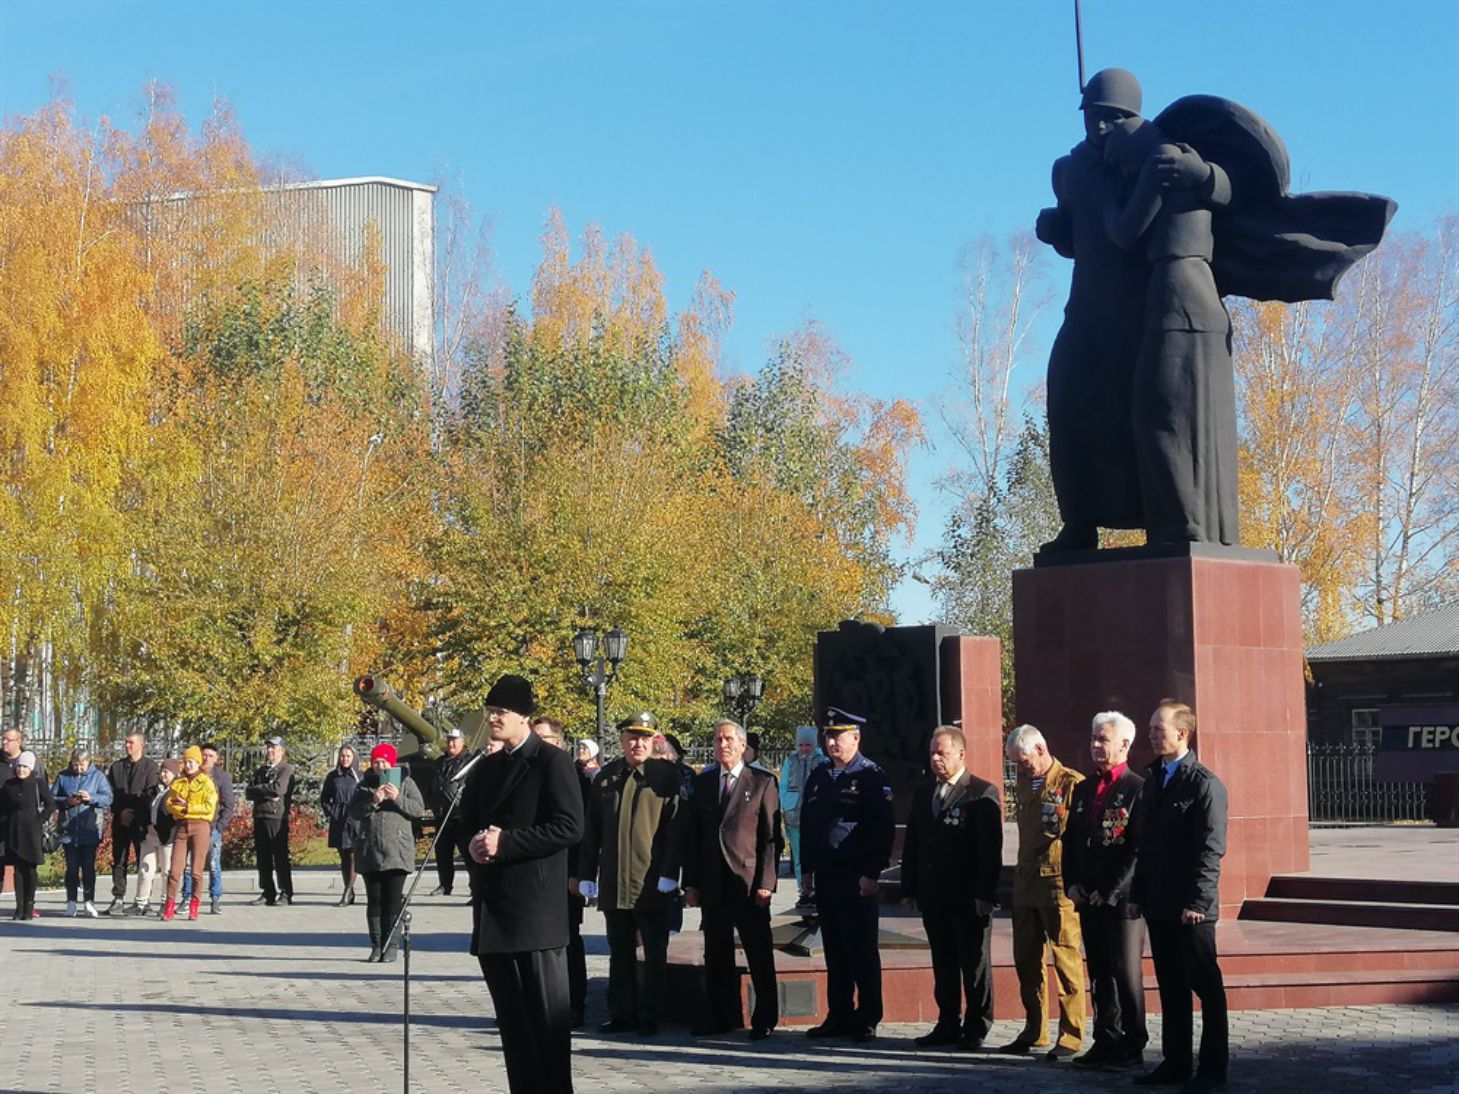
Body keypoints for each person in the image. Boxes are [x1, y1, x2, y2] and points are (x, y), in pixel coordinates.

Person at [1034, 67, 1151, 551]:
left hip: (1139, 310)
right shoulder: (1069, 169)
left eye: (1113, 118)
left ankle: (1157, 520)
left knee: (1137, 414)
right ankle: (1078, 523)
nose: (1101, 128)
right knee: (1065, 407)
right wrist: (1055, 228)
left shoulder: (1144, 164)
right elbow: (1075, 240)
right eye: (1094, 117)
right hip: (1085, 308)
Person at [462, 677, 583, 1094]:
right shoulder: (487, 767)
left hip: (536, 917)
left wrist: (506, 842)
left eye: (501, 712)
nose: (492, 718)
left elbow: (570, 826)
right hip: (495, 915)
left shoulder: (551, 761)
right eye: (489, 711)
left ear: (523, 717)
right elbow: (465, 825)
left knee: (546, 1031)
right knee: (515, 1033)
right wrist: (474, 848)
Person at [1130, 700, 1229, 1093]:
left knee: (1206, 987)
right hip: (1160, 902)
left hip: (1192, 908)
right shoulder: (1156, 778)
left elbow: (1210, 849)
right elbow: (1145, 844)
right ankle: (1175, 1063)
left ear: (1182, 734)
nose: (1152, 735)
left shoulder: (1204, 783)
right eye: (1152, 728)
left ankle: (1212, 1069)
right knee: (1171, 987)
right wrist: (1138, 894)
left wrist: (1199, 904)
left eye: (1159, 729)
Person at [578, 710, 685, 1037]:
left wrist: (670, 873)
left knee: (654, 952)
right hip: (614, 880)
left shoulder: (666, 777)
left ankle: (650, 1015)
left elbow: (677, 829)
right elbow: (591, 829)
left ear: (654, 740)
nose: (637, 743)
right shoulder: (607, 777)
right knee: (619, 951)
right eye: (632, 737)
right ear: (622, 739)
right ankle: (622, 1013)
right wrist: (586, 873)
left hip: (651, 882)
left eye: (644, 737)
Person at [900, 726, 1002, 1050]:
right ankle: (947, 1023)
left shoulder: (981, 793)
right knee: (943, 964)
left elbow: (990, 851)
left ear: (961, 753)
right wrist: (909, 888)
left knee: (973, 965)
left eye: (942, 752)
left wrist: (986, 894)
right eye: (932, 752)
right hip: (933, 895)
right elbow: (913, 844)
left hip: (968, 898)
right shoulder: (923, 793)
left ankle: (976, 1026)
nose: (935, 758)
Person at [799, 708, 894, 1043]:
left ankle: (867, 1016)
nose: (831, 741)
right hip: (826, 876)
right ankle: (838, 1014)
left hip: (856, 878)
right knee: (835, 950)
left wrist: (871, 873)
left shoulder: (871, 776)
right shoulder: (820, 776)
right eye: (828, 735)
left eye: (838, 735)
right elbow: (810, 826)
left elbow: (880, 831)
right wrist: (806, 869)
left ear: (856, 738)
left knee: (861, 950)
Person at [683, 719, 781, 1041]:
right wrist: (692, 883)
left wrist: (767, 882)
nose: (722, 745)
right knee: (717, 952)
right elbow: (694, 836)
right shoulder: (705, 782)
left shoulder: (762, 782)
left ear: (742, 745)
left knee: (758, 952)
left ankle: (764, 1017)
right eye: (717, 740)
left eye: (728, 740)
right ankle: (720, 1016)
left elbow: (770, 838)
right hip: (713, 884)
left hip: (748, 883)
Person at [1064, 711, 1147, 1071]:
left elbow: (1135, 850)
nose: (1096, 746)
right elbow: (1071, 843)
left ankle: (1133, 1042)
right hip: (1089, 899)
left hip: (1122, 902)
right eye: (1094, 738)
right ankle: (1106, 1038)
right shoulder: (1083, 788)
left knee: (1125, 974)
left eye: (1104, 740)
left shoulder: (1137, 788)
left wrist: (1108, 890)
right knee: (1099, 972)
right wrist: (1073, 884)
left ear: (1125, 744)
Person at [1000, 724, 1087, 1060]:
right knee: (1026, 960)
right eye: (1015, 764)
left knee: (1065, 960)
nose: (1020, 769)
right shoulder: (1025, 781)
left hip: (1057, 885)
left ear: (1040, 748)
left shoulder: (1070, 783)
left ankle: (1071, 1034)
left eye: (1023, 761)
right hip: (1025, 883)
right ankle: (1035, 1029)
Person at [532, 715, 591, 1026]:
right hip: (530, 877)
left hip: (564, 874)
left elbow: (582, 832)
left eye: (544, 739)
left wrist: (579, 875)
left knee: (566, 941)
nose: (537, 745)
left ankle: (571, 1004)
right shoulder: (523, 774)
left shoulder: (574, 776)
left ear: (559, 744)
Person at [351, 742, 424, 962]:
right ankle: (376, 945)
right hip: (370, 850)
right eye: (376, 762)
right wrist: (373, 801)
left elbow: (418, 809)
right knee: (374, 899)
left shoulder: (406, 782)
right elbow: (353, 812)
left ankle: (391, 945)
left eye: (383, 762)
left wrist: (397, 798)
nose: (379, 766)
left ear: (391, 763)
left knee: (392, 899)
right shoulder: (364, 786)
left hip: (397, 851)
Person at [51, 747, 114, 918]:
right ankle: (71, 901)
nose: (78, 768)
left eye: (82, 765)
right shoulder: (64, 776)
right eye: (75, 764)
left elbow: (108, 798)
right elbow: (52, 798)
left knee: (88, 868)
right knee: (71, 868)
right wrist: (67, 801)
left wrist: (91, 798)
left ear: (89, 762)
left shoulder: (98, 777)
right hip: (68, 829)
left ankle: (89, 901)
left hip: (90, 829)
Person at [104, 732, 160, 915]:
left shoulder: (150, 767)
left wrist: (134, 812)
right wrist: (121, 812)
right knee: (119, 859)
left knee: (144, 862)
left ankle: (144, 899)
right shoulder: (117, 767)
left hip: (141, 821)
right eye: (126, 742)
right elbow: (109, 793)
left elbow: (150, 794)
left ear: (141, 745)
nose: (127, 745)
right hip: (120, 820)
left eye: (131, 742)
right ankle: (118, 897)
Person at [162, 745, 218, 922]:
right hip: (182, 826)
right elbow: (170, 804)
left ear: (199, 762)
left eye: (191, 762)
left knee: (196, 870)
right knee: (175, 870)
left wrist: (189, 807)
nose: (188, 765)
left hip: (201, 827)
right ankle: (169, 906)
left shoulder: (206, 782)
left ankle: (194, 905)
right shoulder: (178, 783)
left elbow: (210, 808)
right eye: (186, 762)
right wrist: (179, 808)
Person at [0, 751, 56, 921]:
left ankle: (29, 905)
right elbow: (2, 808)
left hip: (32, 833)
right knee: (17, 871)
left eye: (25, 767)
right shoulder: (9, 785)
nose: (21, 770)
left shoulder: (38, 783)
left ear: (31, 768)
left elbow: (51, 805)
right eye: (19, 766)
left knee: (30, 870)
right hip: (14, 833)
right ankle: (19, 907)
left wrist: (39, 820)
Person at [246, 735, 297, 906]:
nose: (270, 751)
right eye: (268, 747)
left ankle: (285, 892)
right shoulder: (262, 771)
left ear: (281, 751)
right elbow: (248, 791)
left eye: (273, 748)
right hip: (260, 815)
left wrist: (262, 791)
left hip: (276, 817)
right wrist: (264, 792)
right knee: (263, 857)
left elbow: (278, 789)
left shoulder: (286, 769)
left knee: (280, 856)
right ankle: (268, 891)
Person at [779, 726, 825, 907]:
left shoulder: (822, 761)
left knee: (816, 855)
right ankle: (803, 890)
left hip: (815, 816)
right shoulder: (790, 760)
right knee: (798, 856)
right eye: (801, 745)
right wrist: (786, 805)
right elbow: (783, 785)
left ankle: (817, 889)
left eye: (808, 745)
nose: (804, 749)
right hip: (794, 815)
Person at [429, 727, 476, 898]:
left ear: (463, 743)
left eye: (455, 740)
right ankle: (445, 885)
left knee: (467, 852)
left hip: (460, 815)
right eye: (449, 740)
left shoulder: (469, 761)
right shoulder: (440, 761)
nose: (451, 743)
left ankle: (474, 887)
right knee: (442, 853)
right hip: (442, 814)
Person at [133, 760, 180, 916]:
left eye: (166, 772)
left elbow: (175, 816)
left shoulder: (177, 790)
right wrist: (147, 826)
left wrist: (159, 829)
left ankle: (166, 902)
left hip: (167, 837)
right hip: (149, 835)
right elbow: (142, 810)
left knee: (167, 871)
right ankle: (141, 902)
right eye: (162, 771)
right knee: (146, 868)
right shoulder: (152, 791)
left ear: (174, 773)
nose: (163, 774)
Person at [320, 744, 364, 907]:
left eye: (348, 756)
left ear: (354, 758)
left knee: (353, 854)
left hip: (355, 819)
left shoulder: (359, 776)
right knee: (344, 855)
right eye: (342, 756)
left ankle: (347, 890)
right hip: (339, 819)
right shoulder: (333, 776)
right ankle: (350, 890)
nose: (345, 759)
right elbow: (324, 798)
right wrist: (333, 812)